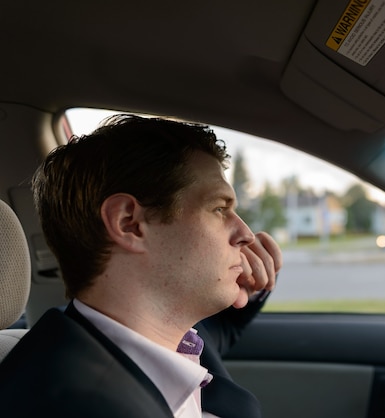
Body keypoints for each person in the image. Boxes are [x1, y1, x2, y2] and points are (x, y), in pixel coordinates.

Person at [0, 114, 282, 418]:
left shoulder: (170, 336)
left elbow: (219, 330)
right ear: (129, 223)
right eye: (219, 208)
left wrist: (246, 288)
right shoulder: (74, 404)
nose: (246, 234)